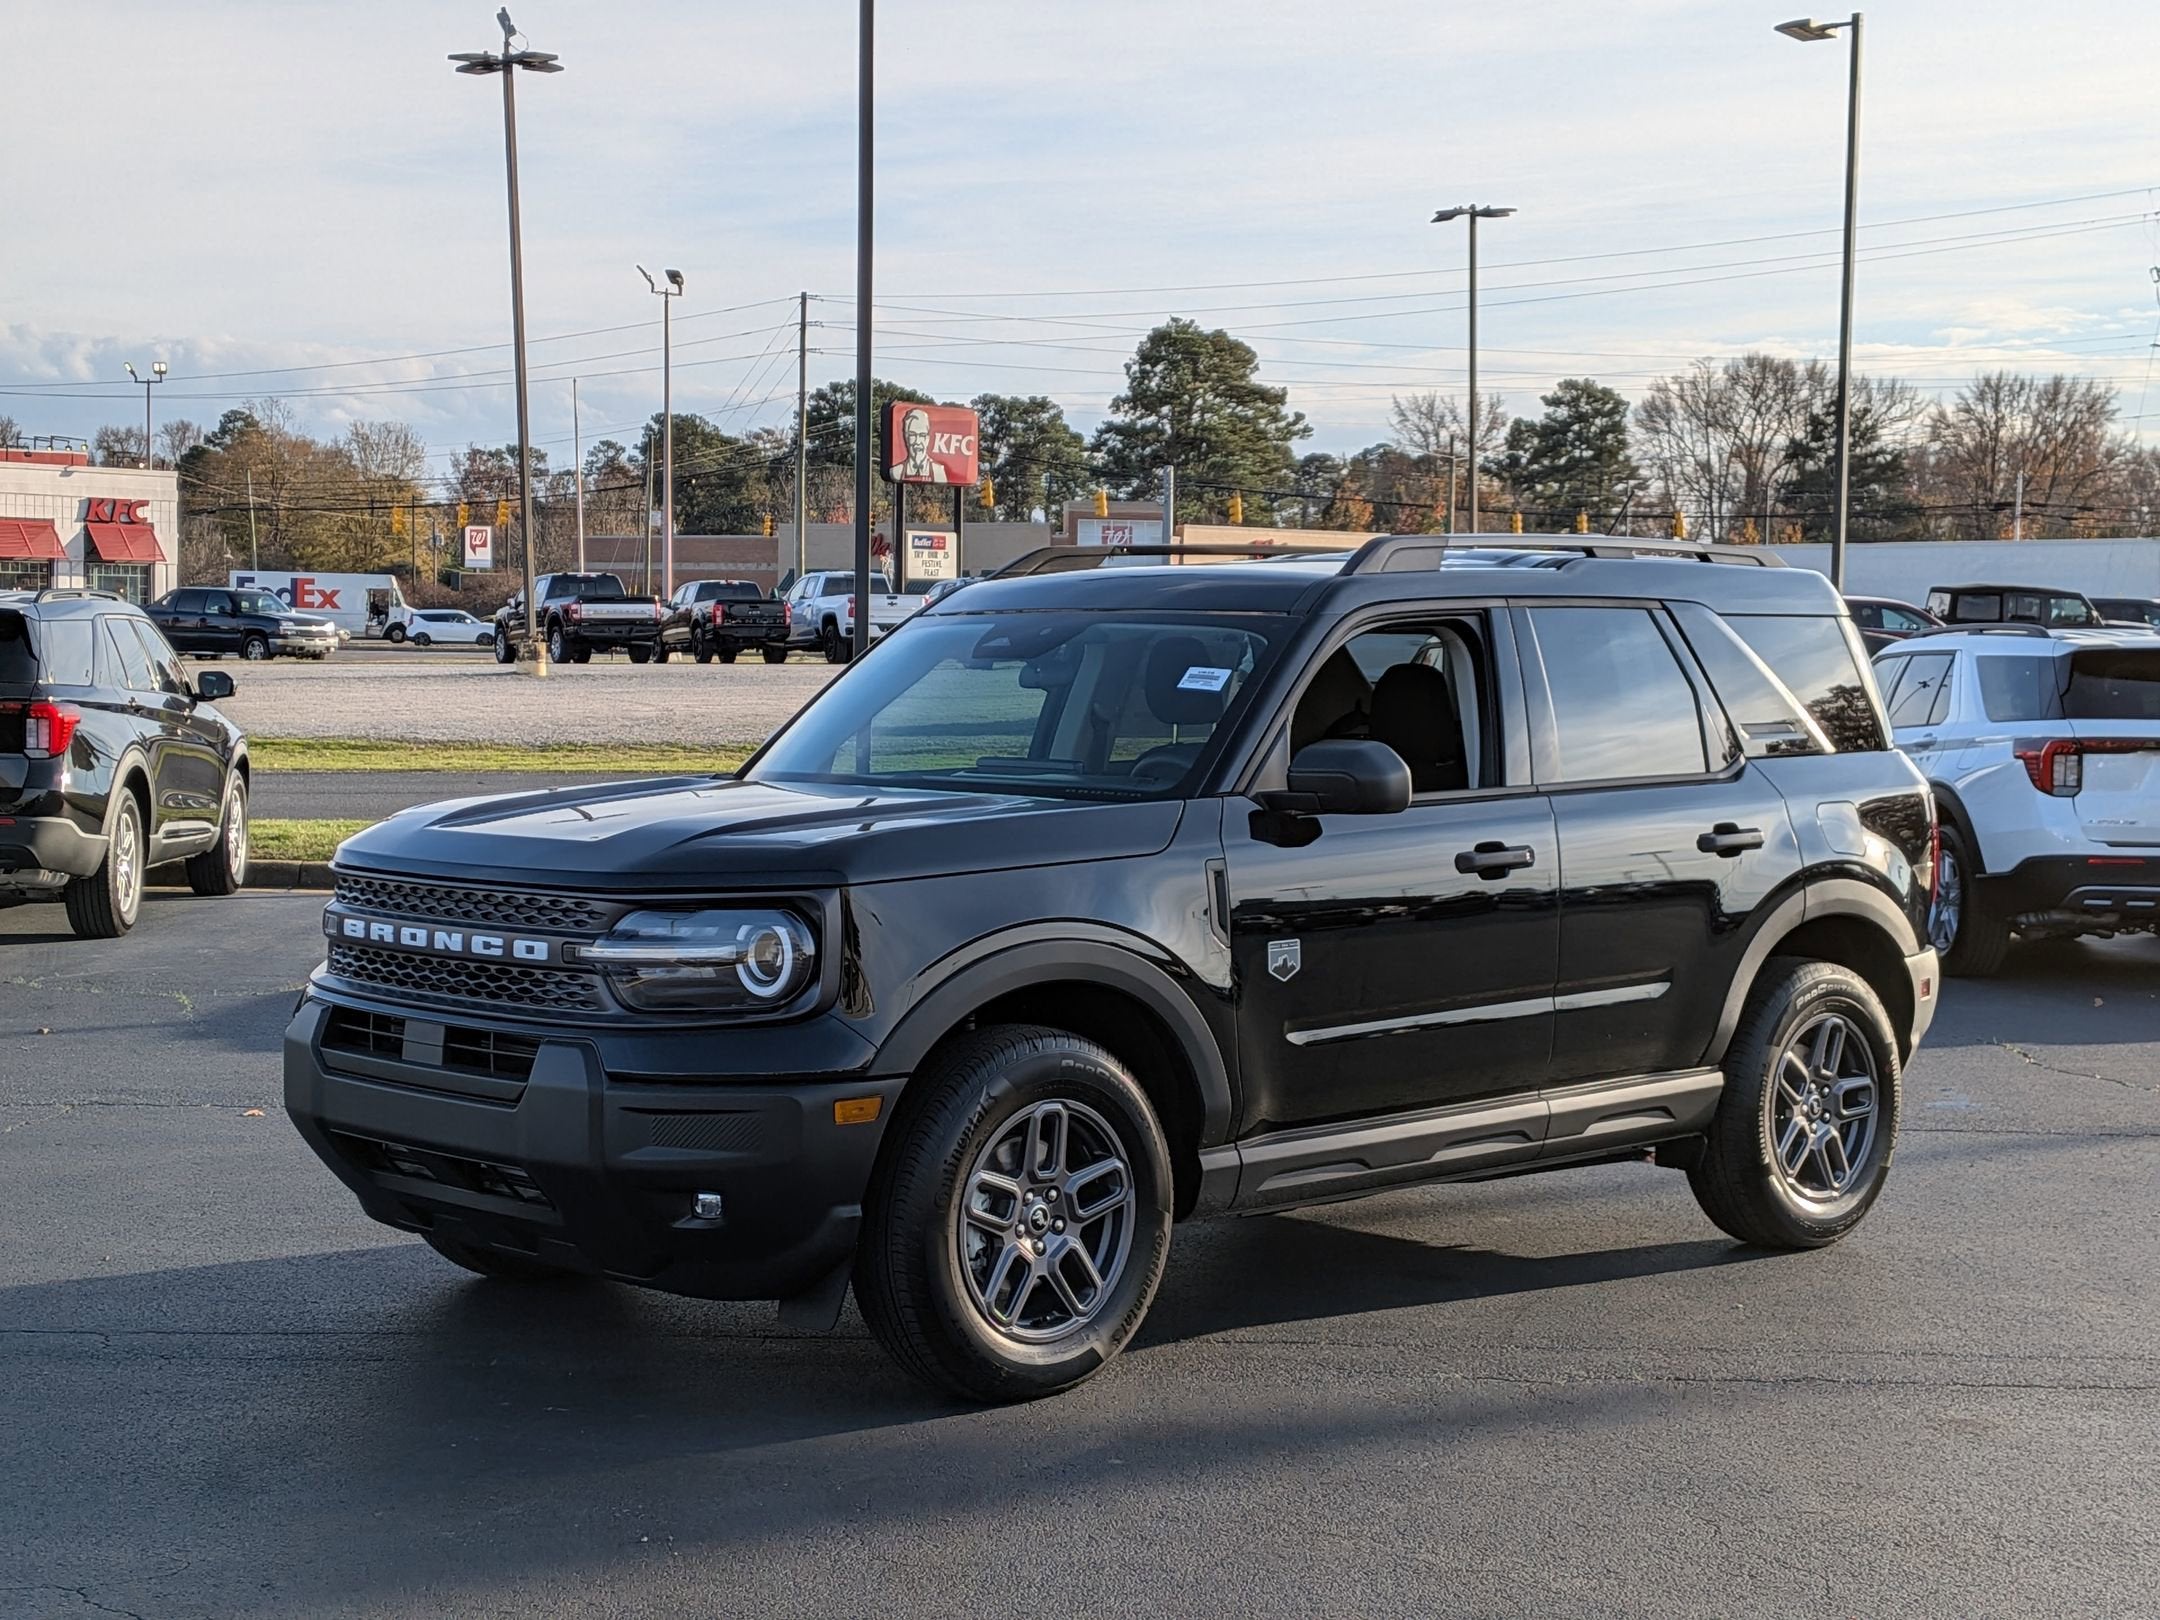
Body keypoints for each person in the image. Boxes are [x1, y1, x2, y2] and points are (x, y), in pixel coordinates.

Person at [889, 407, 948, 483]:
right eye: (912, 435)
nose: (917, 442)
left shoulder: (939, 472)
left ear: (928, 438)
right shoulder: (896, 472)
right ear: (905, 437)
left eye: (922, 435)